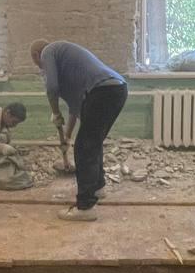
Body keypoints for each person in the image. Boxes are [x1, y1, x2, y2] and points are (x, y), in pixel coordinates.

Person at [30, 39, 128, 221]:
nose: (40, 67)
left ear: (36, 56)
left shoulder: (48, 51)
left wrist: (55, 112)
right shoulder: (69, 70)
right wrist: (67, 137)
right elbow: (75, 109)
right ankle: (97, 187)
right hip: (117, 89)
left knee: (84, 148)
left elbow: (51, 88)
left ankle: (85, 207)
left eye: (36, 63)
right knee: (92, 142)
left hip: (103, 91)